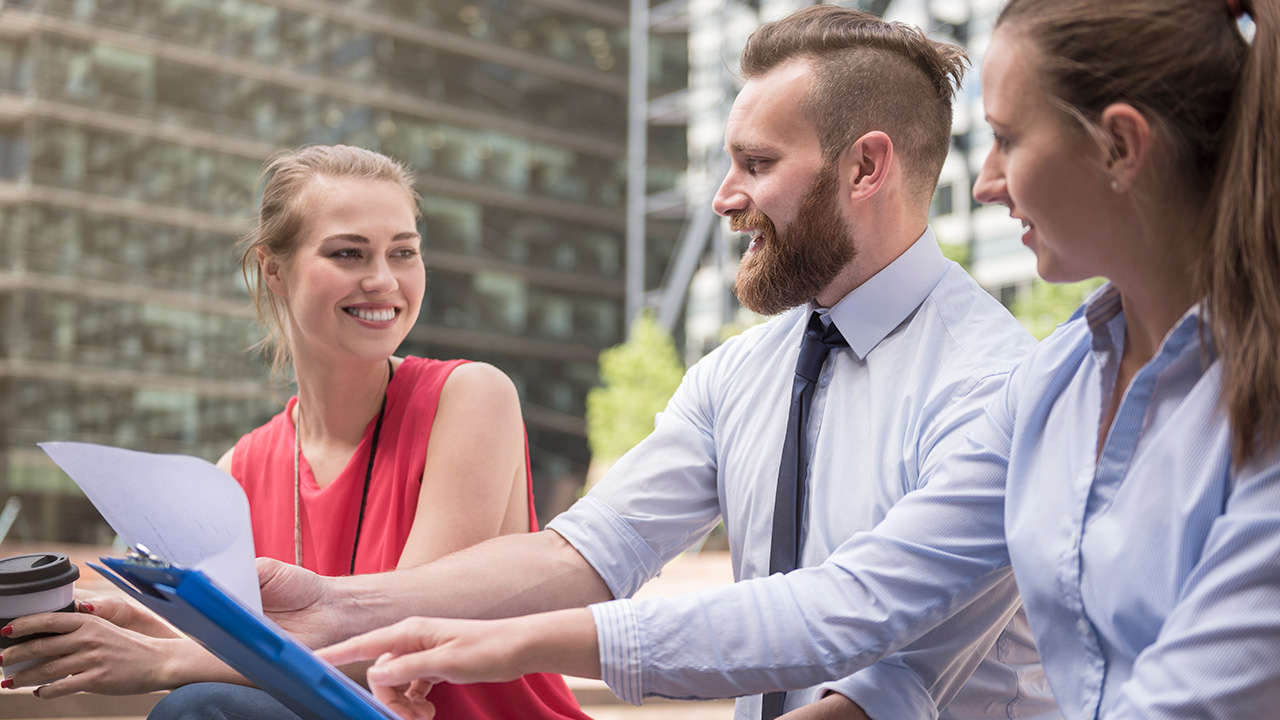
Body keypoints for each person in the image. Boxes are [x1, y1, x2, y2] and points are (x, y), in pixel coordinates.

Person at [317, 0, 1280, 718]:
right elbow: (825, 604)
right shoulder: (1057, 383)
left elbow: (894, 673)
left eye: (1008, 140)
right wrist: (354, 610)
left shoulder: (997, 374)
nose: (986, 183)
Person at [0, 144, 589, 720]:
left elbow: (405, 648)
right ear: (273, 269)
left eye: (404, 252)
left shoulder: (471, 397)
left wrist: (158, 660)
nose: (384, 280)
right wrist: (136, 628)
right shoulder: (242, 467)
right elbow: (255, 651)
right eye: (349, 254)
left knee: (200, 706)